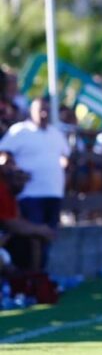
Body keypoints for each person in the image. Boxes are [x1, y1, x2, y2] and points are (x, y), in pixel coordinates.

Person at [0, 96, 70, 270]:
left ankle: (40, 276)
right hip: (30, 194)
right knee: (34, 238)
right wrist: (14, 170)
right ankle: (32, 277)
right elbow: (3, 154)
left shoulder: (55, 133)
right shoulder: (19, 131)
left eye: (46, 110)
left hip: (53, 191)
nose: (44, 114)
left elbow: (66, 157)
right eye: (40, 110)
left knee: (48, 237)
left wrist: (63, 169)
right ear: (31, 112)